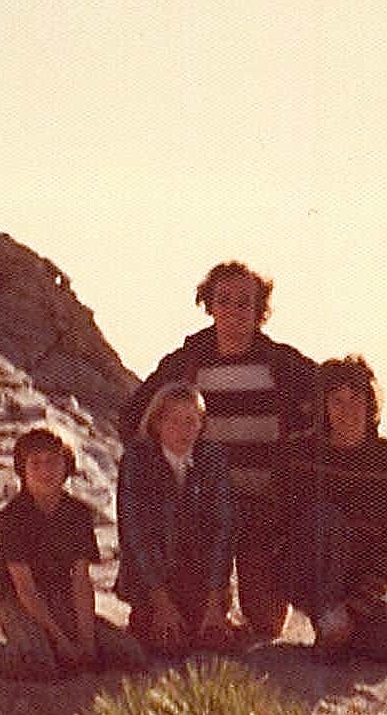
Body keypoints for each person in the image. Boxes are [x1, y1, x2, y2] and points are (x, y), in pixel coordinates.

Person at [121, 261, 317, 638]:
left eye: (245, 302)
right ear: (208, 305)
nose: (234, 310)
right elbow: (135, 416)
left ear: (260, 310)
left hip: (265, 510)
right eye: (223, 300)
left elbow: (332, 402)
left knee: (266, 625)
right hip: (199, 511)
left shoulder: (283, 364)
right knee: (186, 624)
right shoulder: (186, 363)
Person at [275, 356, 387, 662]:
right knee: (324, 519)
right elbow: (280, 526)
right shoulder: (298, 455)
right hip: (311, 570)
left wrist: (355, 609)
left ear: (371, 404)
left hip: (367, 576)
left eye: (356, 400)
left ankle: (342, 628)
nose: (347, 411)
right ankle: (328, 620)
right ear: (323, 407)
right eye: (337, 401)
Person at [0, 427, 145, 677]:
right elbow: (25, 590)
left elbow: (81, 580)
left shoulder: (78, 514)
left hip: (61, 597)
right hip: (17, 601)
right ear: (23, 469)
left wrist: (87, 641)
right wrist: (61, 641)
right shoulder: (11, 519)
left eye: (53, 462)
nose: (45, 471)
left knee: (129, 654)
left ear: (67, 466)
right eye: (35, 463)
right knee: (41, 663)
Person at [115, 382, 238, 657]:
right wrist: (161, 602)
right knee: (165, 646)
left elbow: (223, 529)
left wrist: (215, 601)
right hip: (153, 579)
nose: (183, 430)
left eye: (190, 421)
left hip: (201, 579)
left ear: (201, 424)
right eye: (173, 420)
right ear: (157, 423)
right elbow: (136, 534)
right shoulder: (137, 460)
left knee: (216, 645)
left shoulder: (213, 459)